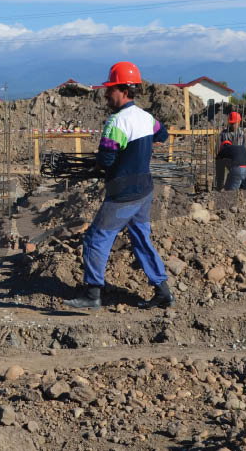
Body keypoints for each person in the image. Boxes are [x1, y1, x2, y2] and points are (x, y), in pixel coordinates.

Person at [63, 61, 174, 310]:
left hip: (123, 194)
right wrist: (137, 154)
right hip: (144, 190)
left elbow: (106, 159)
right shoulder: (146, 117)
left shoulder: (117, 122)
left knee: (95, 238)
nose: (106, 94)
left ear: (124, 90)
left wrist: (106, 162)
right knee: (141, 240)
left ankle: (92, 295)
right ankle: (163, 291)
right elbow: (163, 135)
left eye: (110, 89)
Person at [215, 111, 246, 190]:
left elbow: (243, 147)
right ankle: (219, 188)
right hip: (225, 158)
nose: (232, 125)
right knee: (220, 168)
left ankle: (239, 188)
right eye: (231, 123)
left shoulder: (241, 134)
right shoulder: (224, 134)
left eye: (234, 123)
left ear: (239, 122)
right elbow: (218, 148)